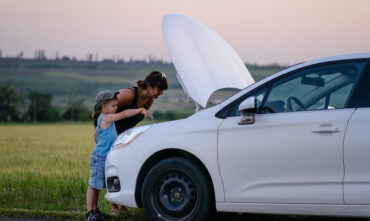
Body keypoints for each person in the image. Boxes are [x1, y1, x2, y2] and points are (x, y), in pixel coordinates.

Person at [86, 90, 151, 221]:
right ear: (104, 106)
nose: (116, 108)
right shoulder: (106, 117)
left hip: (102, 156)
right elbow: (125, 114)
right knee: (94, 185)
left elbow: (96, 135)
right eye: (113, 106)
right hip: (100, 157)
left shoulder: (103, 119)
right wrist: (140, 110)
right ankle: (90, 213)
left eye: (116, 105)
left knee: (98, 185)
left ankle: (95, 211)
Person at [110, 71, 168, 214]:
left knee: (123, 169)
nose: (161, 93)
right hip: (109, 134)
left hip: (123, 137)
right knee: (113, 169)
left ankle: (121, 205)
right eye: (159, 89)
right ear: (149, 85)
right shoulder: (129, 94)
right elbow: (105, 107)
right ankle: (114, 208)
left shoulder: (148, 101)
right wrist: (98, 129)